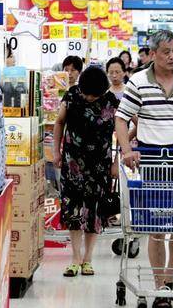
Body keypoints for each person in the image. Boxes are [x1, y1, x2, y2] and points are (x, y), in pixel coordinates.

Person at [115, 30, 173, 306]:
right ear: (152, 54)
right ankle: (159, 284)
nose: (172, 56)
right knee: (155, 225)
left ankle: (169, 275)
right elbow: (121, 119)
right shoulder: (138, 82)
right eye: (166, 51)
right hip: (151, 159)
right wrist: (128, 150)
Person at [53, 66, 119, 277]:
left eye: (94, 95)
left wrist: (118, 159)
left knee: (95, 210)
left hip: (100, 165)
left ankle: (88, 259)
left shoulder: (111, 101)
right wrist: (56, 151)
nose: (89, 98)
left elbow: (131, 126)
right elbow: (59, 122)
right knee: (72, 207)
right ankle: (75, 258)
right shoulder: (72, 94)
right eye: (86, 93)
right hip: (72, 162)